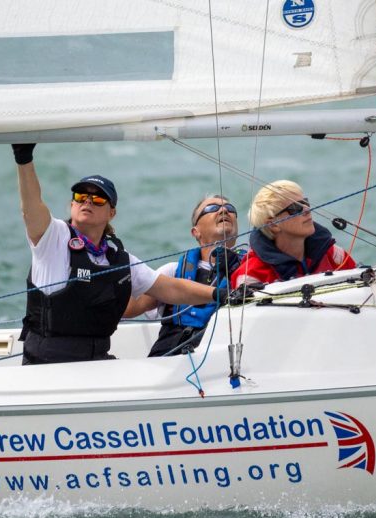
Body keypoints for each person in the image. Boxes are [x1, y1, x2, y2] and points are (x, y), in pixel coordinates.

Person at [12, 143, 237, 365]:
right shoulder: (53, 237)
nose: (88, 201)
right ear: (72, 205)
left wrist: (220, 294)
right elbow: (31, 207)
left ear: (112, 213)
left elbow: (170, 288)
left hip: (95, 362)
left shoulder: (118, 258)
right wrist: (24, 159)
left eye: (98, 199)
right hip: (47, 364)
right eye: (81, 196)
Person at [124, 195, 247, 357]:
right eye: (212, 208)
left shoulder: (250, 271)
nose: (224, 210)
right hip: (168, 359)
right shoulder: (171, 272)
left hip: (222, 360)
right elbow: (129, 309)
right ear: (196, 232)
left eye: (230, 209)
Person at [232, 180, 355, 287]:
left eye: (305, 203)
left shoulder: (334, 255)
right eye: (295, 208)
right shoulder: (251, 275)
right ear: (273, 224)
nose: (307, 209)